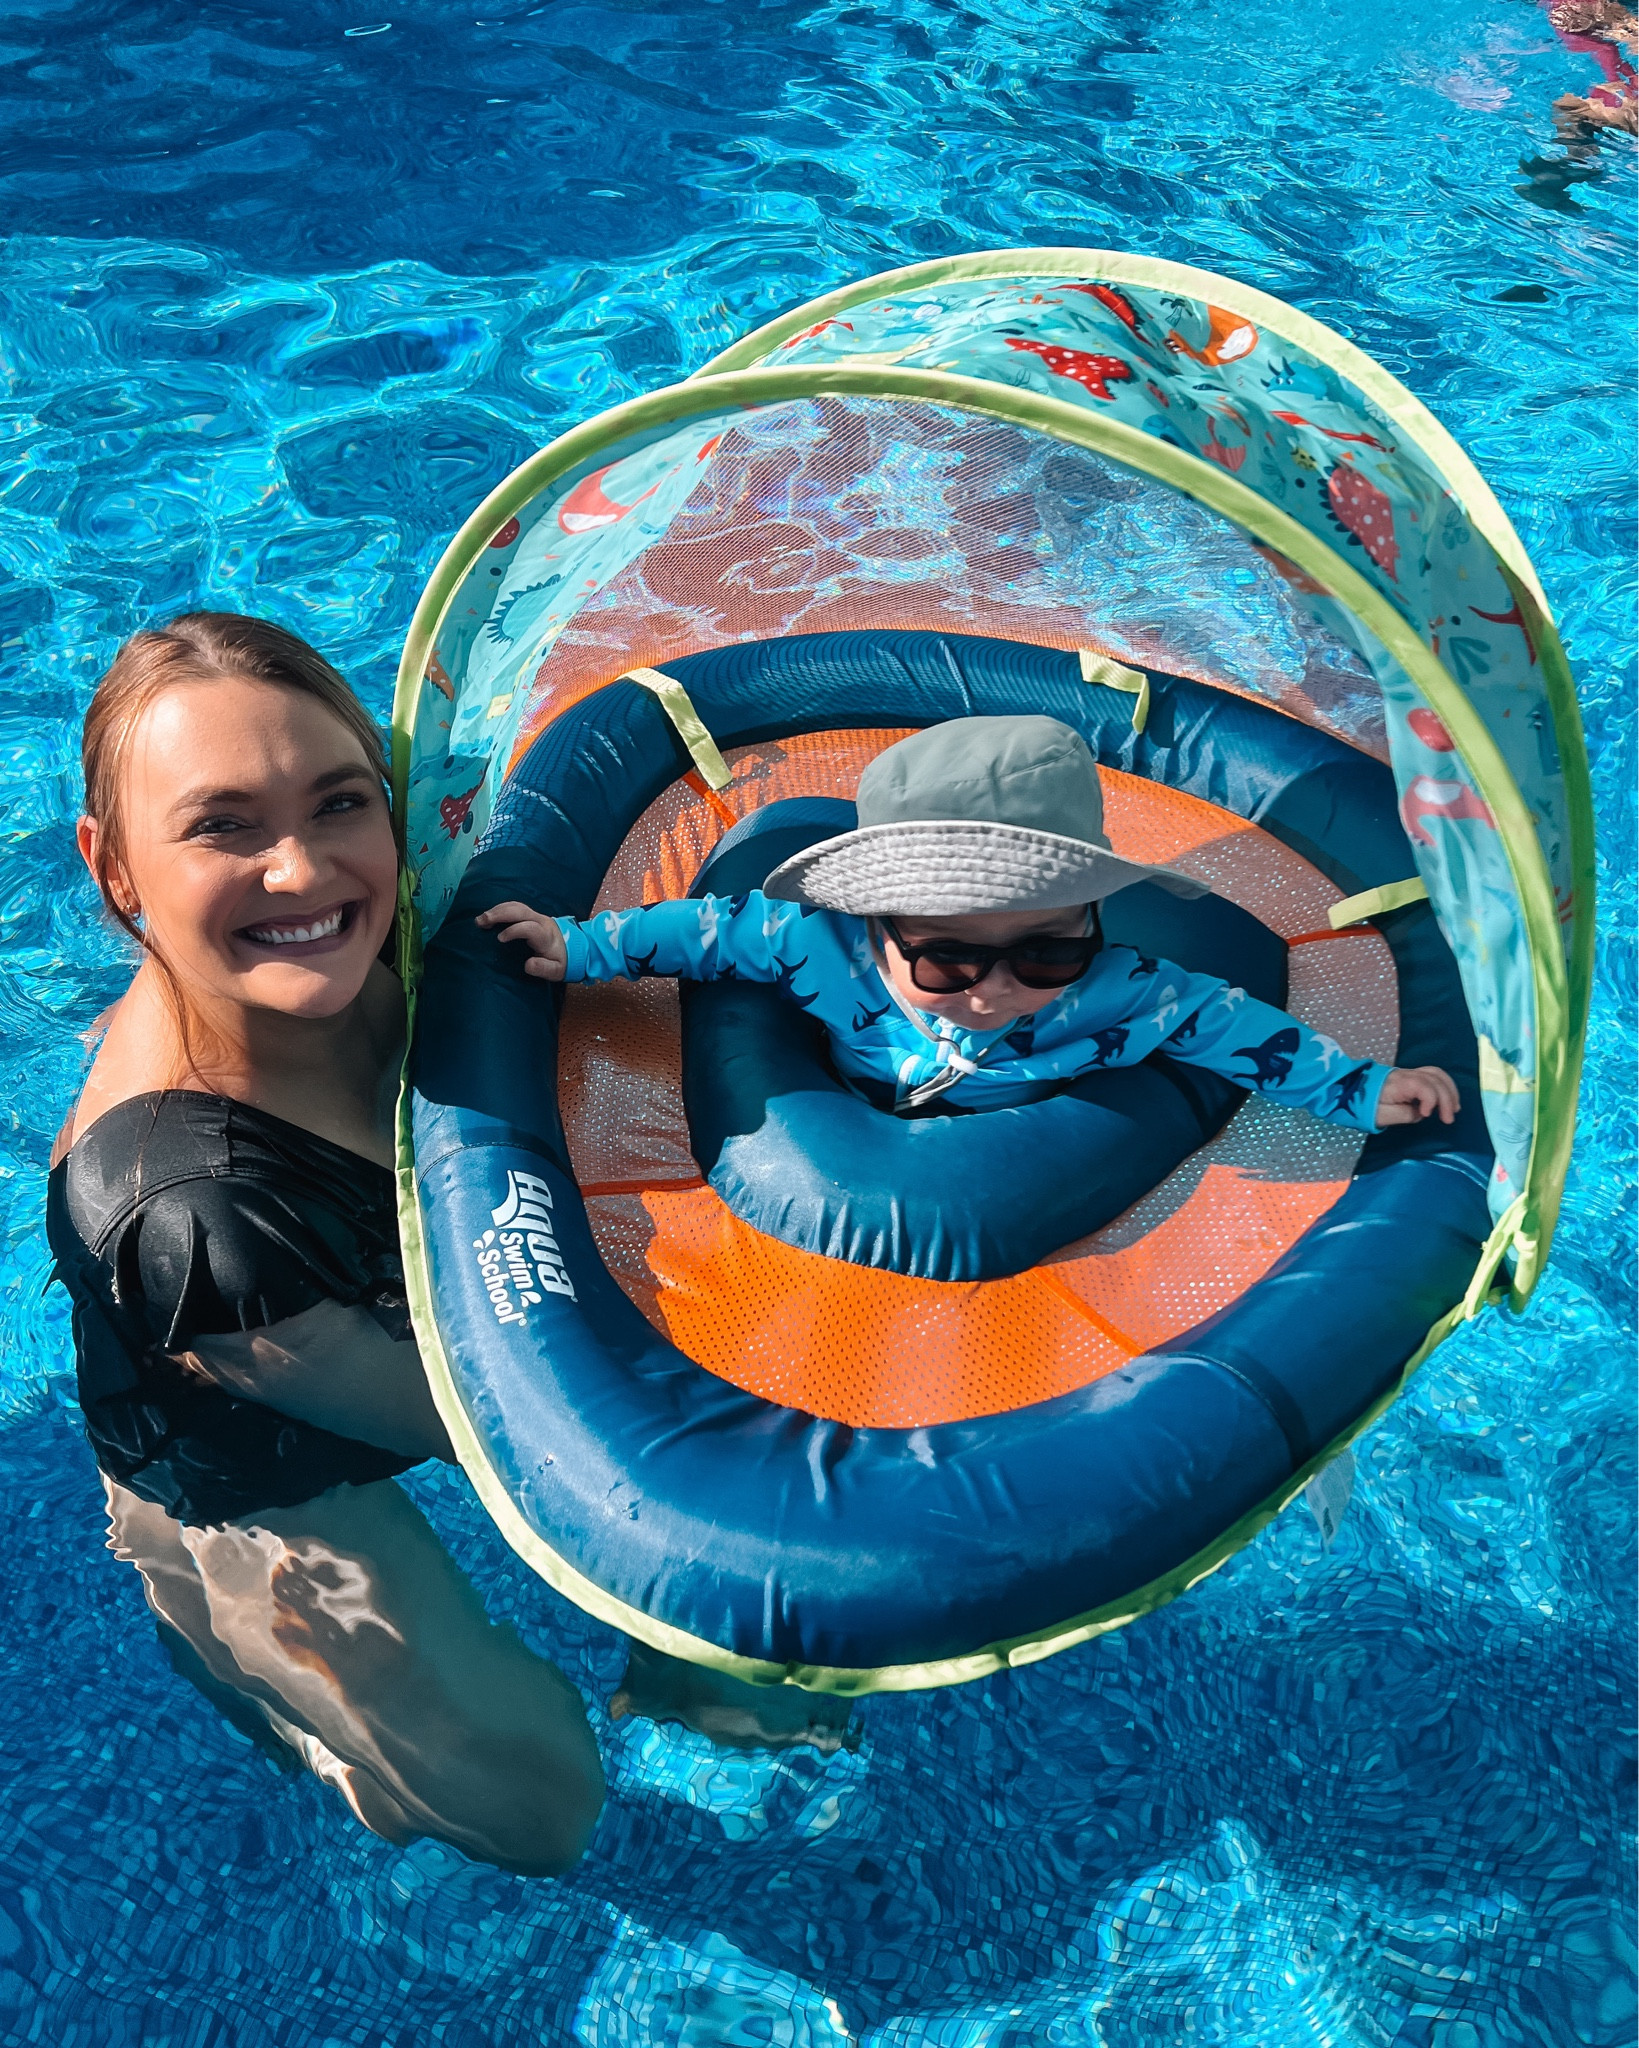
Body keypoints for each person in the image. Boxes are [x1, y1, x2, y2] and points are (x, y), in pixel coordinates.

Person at [46, 612, 606, 1875]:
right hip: (252, 1476)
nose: (302, 871)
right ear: (115, 867)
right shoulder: (191, 1218)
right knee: (540, 1804)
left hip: (334, 1301)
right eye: (223, 824)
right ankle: (307, 1735)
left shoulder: (397, 914)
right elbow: (485, 1433)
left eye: (337, 801)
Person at [479, 715, 1459, 1134]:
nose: (995, 988)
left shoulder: (1129, 993)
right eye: (945, 955)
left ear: (1091, 922)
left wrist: (1361, 1089)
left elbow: (1244, 1031)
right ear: (880, 925)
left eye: (1047, 949)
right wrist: (579, 947)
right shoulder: (816, 947)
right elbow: (704, 929)